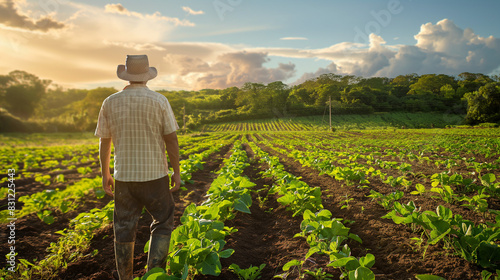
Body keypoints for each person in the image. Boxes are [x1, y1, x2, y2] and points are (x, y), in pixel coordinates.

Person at [95, 54, 181, 280]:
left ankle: (126, 278)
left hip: (124, 177)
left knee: (123, 226)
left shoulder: (110, 102)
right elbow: (171, 139)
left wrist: (105, 175)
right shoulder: (160, 100)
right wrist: (177, 172)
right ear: (147, 77)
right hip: (155, 177)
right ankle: (155, 275)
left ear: (126, 75)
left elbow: (105, 142)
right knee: (163, 222)